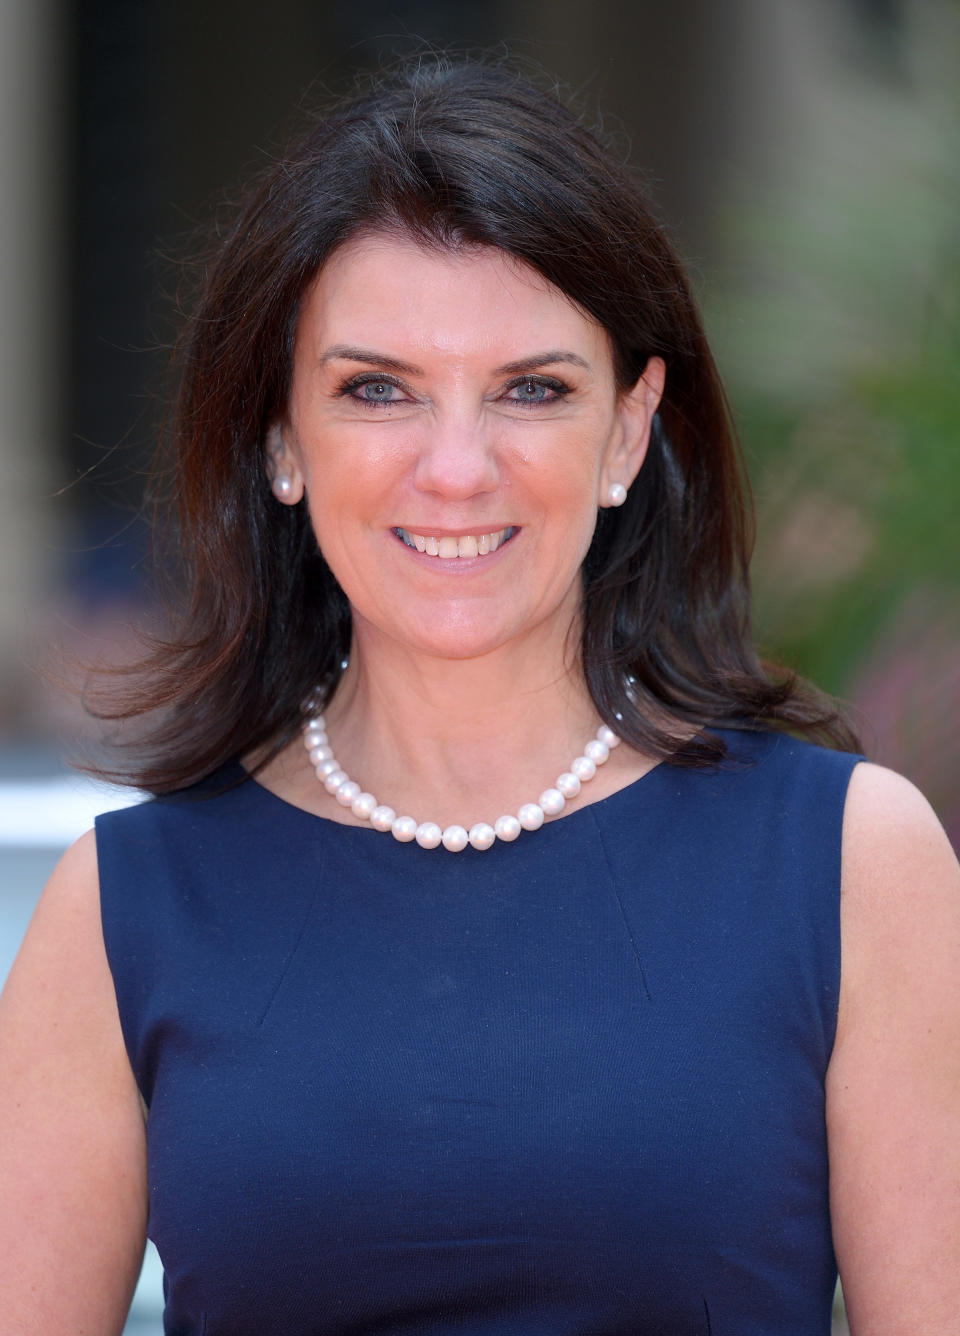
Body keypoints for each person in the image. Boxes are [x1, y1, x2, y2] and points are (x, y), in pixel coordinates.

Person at [1, 55, 958, 1336]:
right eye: (377, 389)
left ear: (628, 430)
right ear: (280, 436)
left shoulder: (851, 866)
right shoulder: (121, 910)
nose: (457, 468)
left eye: (533, 389)